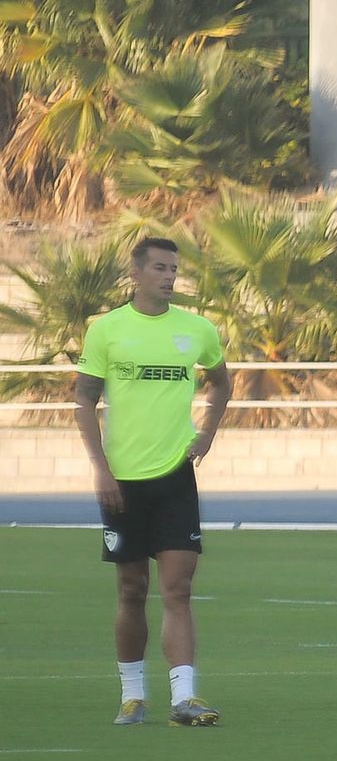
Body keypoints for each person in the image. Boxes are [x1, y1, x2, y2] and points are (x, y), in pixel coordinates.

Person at [75, 236, 232, 726]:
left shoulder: (198, 329)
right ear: (136, 273)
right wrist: (100, 468)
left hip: (174, 477)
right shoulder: (107, 331)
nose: (170, 277)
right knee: (130, 589)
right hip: (121, 481)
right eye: (161, 268)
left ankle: (185, 697)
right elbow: (83, 401)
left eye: (174, 269)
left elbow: (221, 382)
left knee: (178, 589)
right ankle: (132, 695)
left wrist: (206, 433)